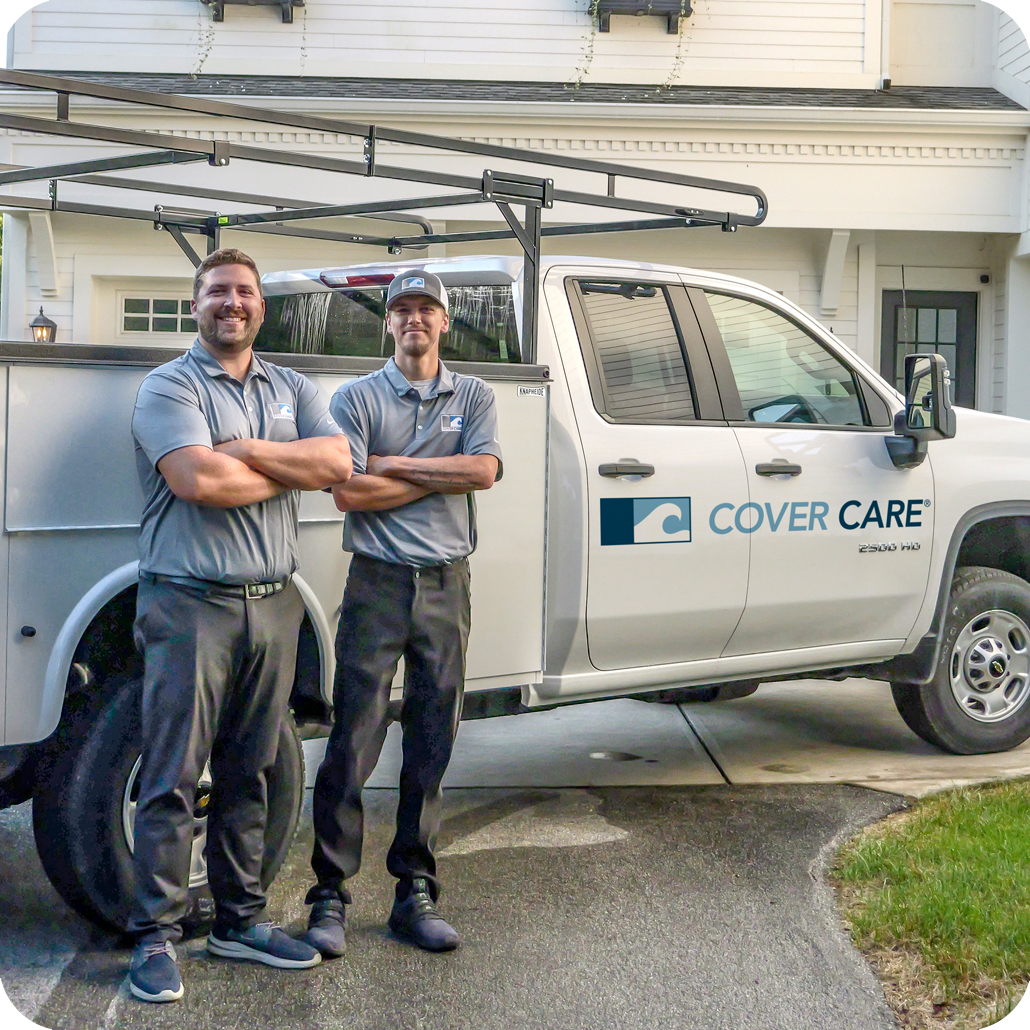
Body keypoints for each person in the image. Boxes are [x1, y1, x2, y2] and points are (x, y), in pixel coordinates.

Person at [127, 247, 353, 1003]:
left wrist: (250, 449)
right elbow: (198, 479)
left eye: (245, 292)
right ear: (197, 304)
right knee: (171, 775)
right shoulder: (170, 384)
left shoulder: (290, 385)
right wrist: (286, 464)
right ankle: (156, 936)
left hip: (275, 601)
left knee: (251, 770)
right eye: (218, 290)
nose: (233, 302)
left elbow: (337, 462)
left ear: (263, 306)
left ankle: (238, 921)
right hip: (189, 604)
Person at [304, 270, 501, 957]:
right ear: (388, 322)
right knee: (352, 737)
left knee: (431, 741)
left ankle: (413, 891)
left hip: (448, 583)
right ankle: (328, 892)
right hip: (377, 584)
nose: (415, 319)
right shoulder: (355, 396)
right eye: (403, 309)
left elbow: (483, 473)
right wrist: (435, 467)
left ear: (445, 321)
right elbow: (349, 495)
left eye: (427, 309)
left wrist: (393, 463)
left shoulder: (473, 392)